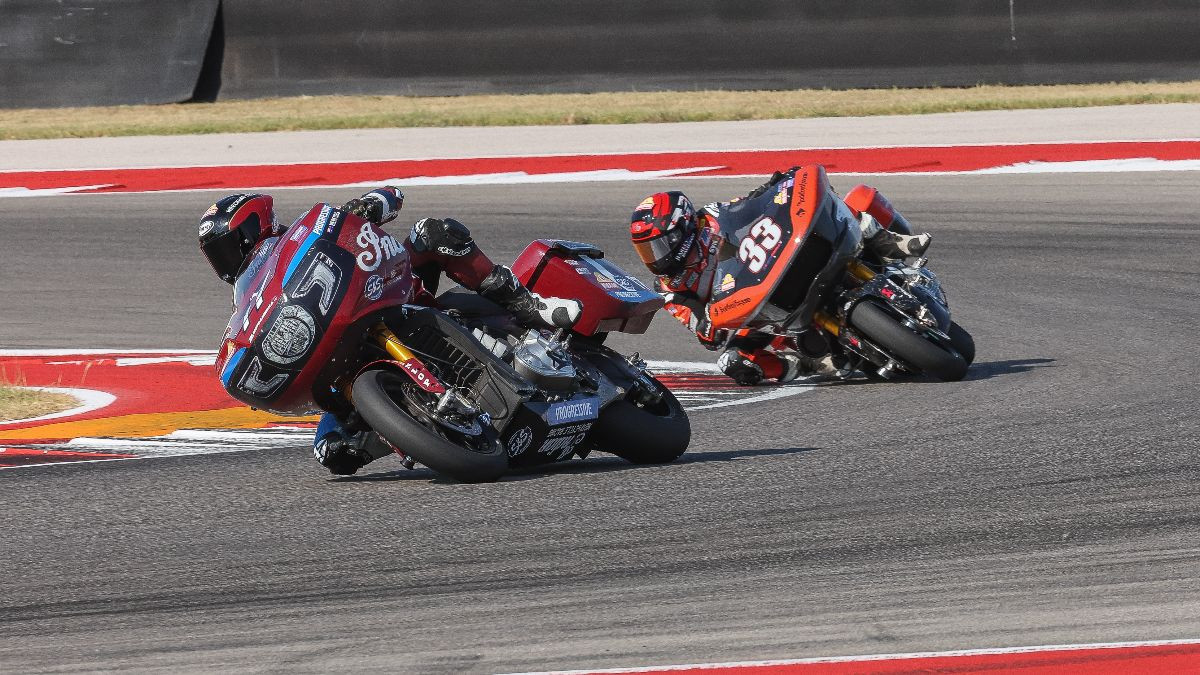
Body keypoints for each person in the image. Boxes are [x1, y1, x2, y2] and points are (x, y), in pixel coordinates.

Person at [198, 186, 581, 474]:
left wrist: (369, 206)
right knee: (332, 453)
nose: (226, 258)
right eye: (217, 253)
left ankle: (531, 306)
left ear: (254, 224)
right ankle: (399, 428)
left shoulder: (305, 237)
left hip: (393, 290)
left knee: (433, 232)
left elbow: (393, 195)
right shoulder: (248, 301)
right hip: (345, 349)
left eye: (229, 244)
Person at [629, 167, 932, 386]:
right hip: (759, 309)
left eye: (657, 246)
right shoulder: (670, 288)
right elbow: (706, 333)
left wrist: (780, 184)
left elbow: (755, 203)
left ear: (683, 227)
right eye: (647, 251)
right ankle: (806, 362)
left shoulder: (713, 218)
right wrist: (708, 323)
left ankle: (891, 242)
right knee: (731, 362)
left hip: (779, 259)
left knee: (855, 198)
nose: (655, 258)